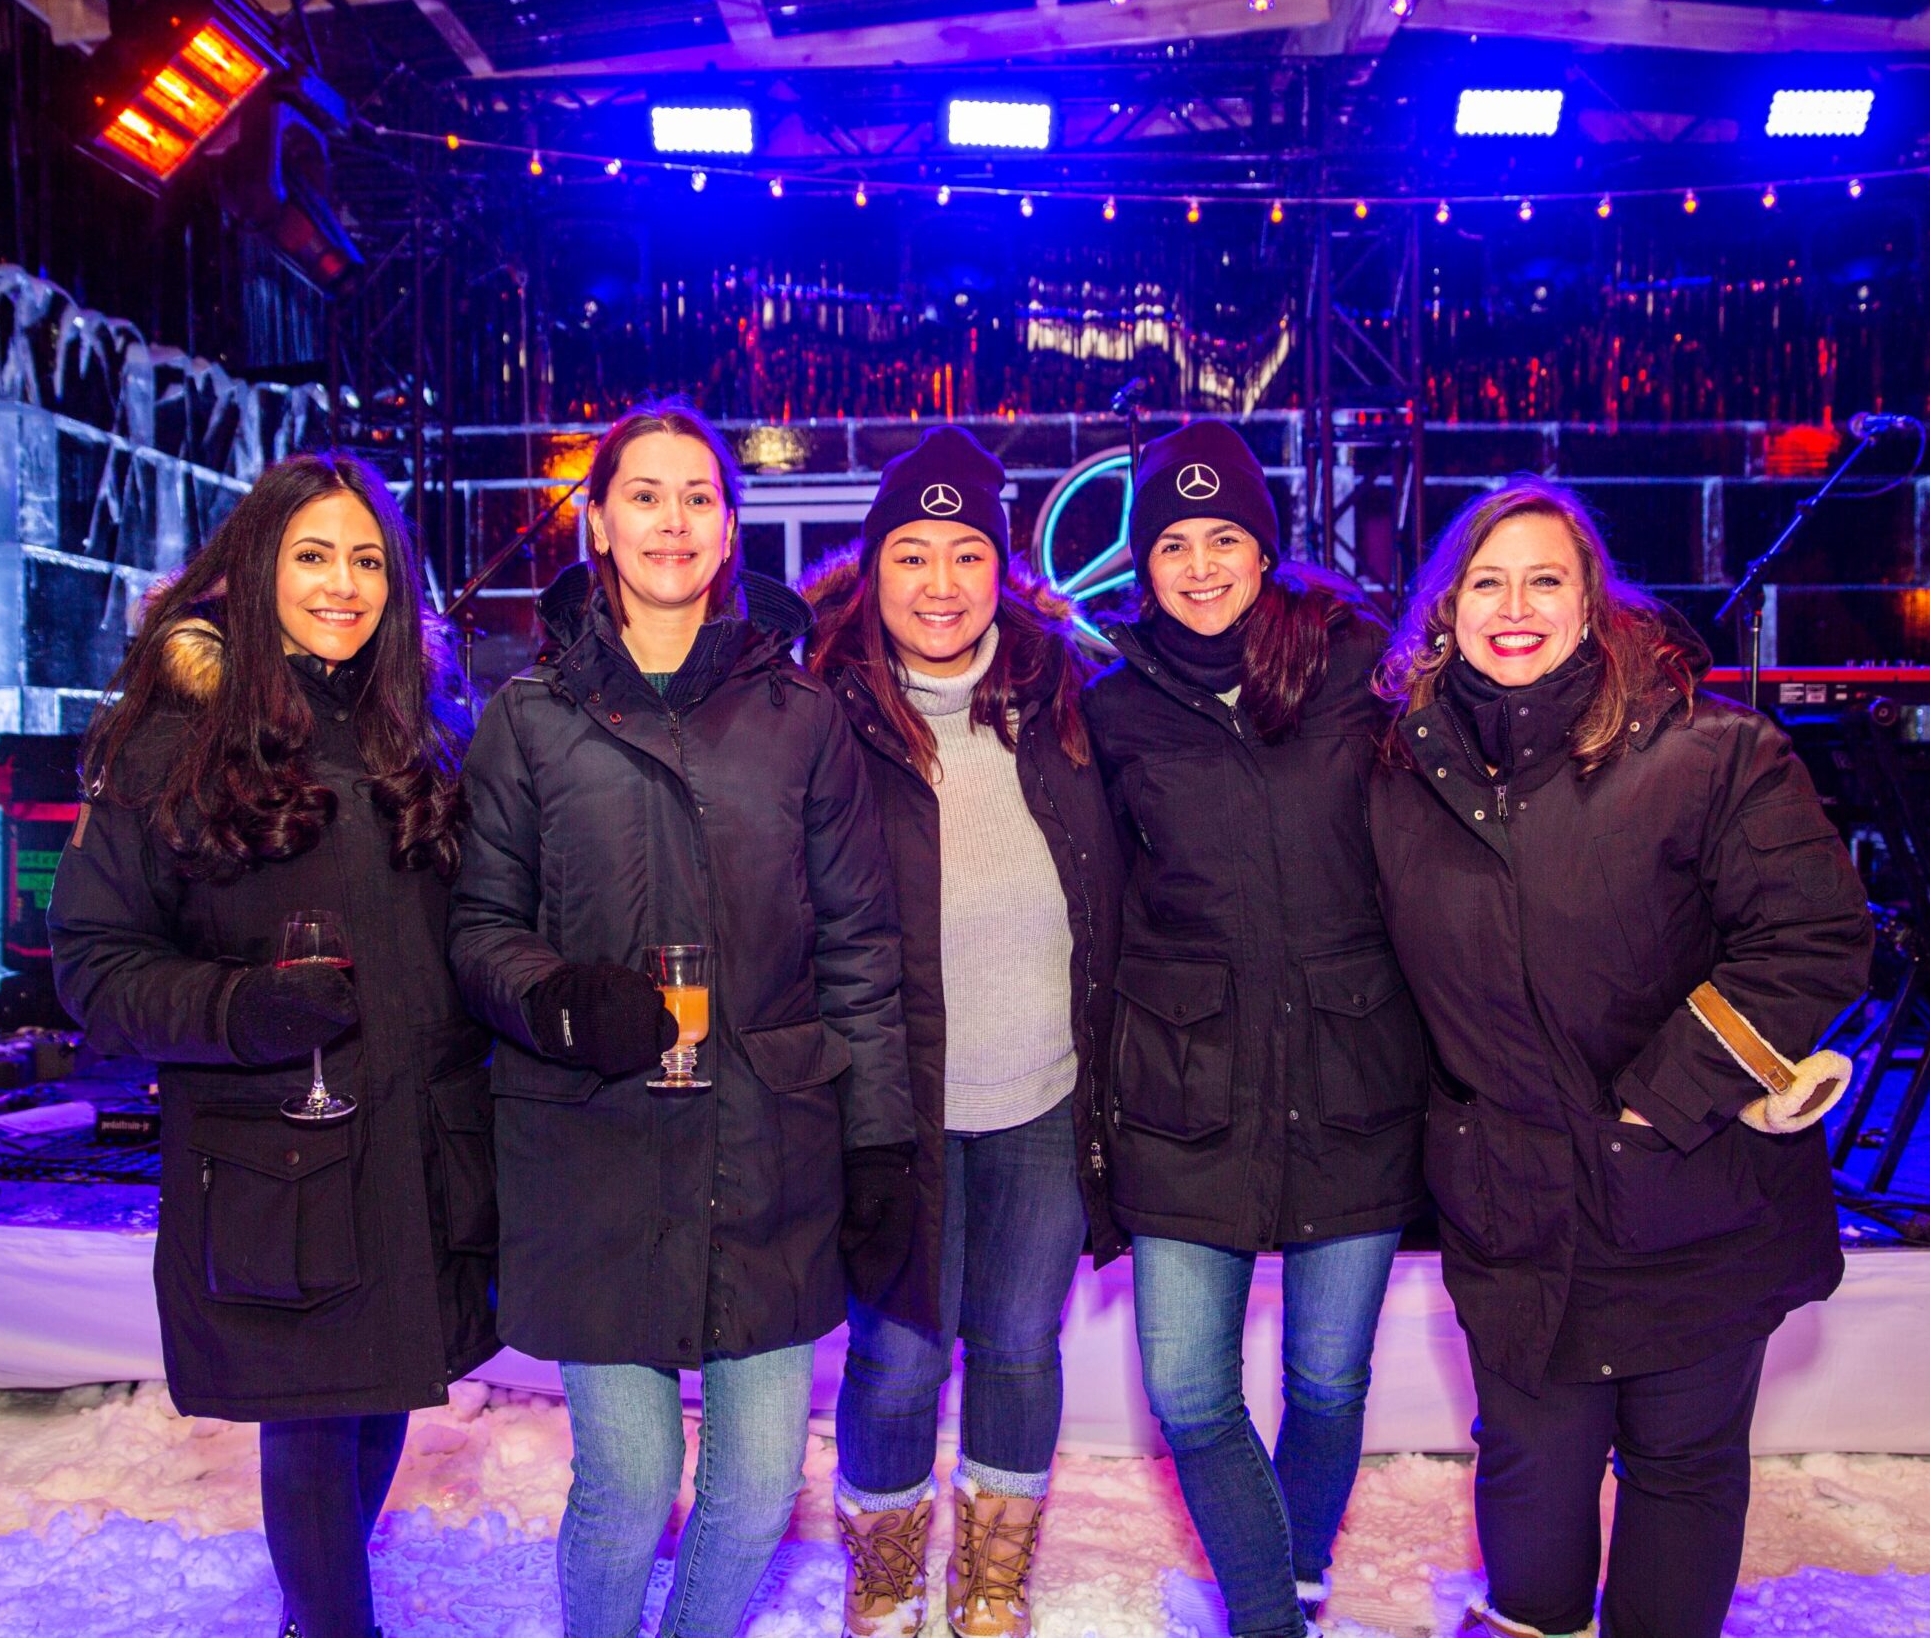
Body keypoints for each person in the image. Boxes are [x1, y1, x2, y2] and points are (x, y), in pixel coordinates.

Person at [1367, 478, 1872, 1638]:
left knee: (1681, 1473)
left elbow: (1815, 937)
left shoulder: (1709, 754)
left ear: (1594, 604)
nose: (1514, 606)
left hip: (1692, 1201)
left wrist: (1663, 1103)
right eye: (1484, 581)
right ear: (1443, 612)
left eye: (1546, 579)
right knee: (1531, 1484)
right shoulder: (1400, 778)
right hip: (1514, 1215)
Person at [447, 397, 914, 1638]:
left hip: (768, 1146)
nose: (671, 520)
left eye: (697, 497)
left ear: (730, 525)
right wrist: (556, 1001)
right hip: (590, 1143)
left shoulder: (803, 720)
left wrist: (875, 1142)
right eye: (643, 495)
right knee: (631, 1479)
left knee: (758, 1486)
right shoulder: (526, 721)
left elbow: (859, 946)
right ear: (597, 521)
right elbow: (479, 929)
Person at [49, 453, 496, 1638]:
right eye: (313, 556)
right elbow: (95, 968)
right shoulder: (171, 741)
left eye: (367, 561)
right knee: (313, 1409)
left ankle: (317, 1617)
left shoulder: (430, 732)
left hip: (417, 1140)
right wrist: (242, 1009)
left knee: (388, 1382)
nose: (343, 585)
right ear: (256, 567)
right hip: (280, 1155)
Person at [1080, 420, 1431, 1638]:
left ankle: (1290, 1571)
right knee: (1187, 1389)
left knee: (1327, 1380)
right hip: (1186, 1091)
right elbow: (1098, 905)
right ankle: (1270, 1614)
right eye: (1170, 542)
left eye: (1223, 535)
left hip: (1353, 1075)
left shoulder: (1358, 673)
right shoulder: (1113, 711)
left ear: (1264, 546)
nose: (1197, 563)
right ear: (1143, 563)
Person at [803, 427, 1125, 1638]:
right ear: (871, 569)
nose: (940, 585)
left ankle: (993, 1581)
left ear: (1002, 570)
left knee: (1019, 1351)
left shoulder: (1062, 702)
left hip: (1041, 1097)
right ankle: (884, 1586)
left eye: (966, 555)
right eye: (911, 556)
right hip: (895, 1107)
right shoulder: (821, 717)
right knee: (893, 1362)